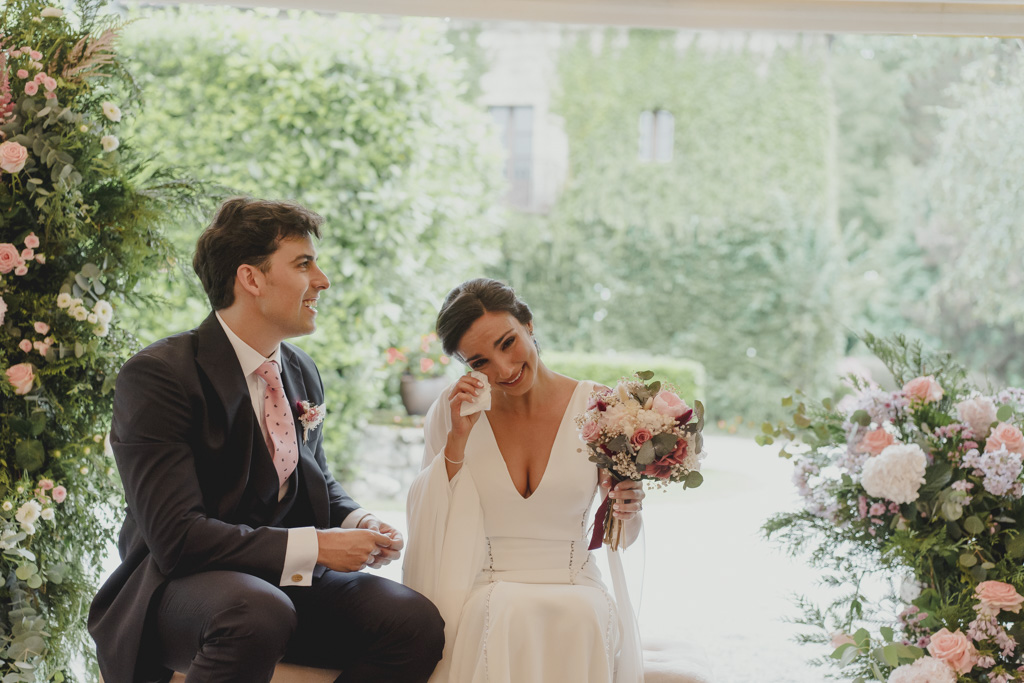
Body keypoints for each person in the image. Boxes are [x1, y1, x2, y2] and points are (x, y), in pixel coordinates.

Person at [88, 198, 444, 683]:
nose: (323, 279)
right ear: (251, 279)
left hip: (277, 587)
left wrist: (359, 520)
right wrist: (317, 547)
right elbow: (176, 539)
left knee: (412, 621)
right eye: (303, 263)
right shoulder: (159, 376)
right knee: (256, 612)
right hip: (175, 591)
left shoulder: (300, 370)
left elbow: (312, 477)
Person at [404, 278, 646, 683]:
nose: (504, 370)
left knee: (583, 614)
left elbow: (622, 536)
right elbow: (430, 523)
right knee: (502, 610)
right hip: (487, 585)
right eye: (479, 362)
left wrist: (628, 506)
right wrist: (458, 441)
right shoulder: (453, 412)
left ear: (528, 324)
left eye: (507, 343)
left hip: (577, 581)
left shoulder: (600, 407)